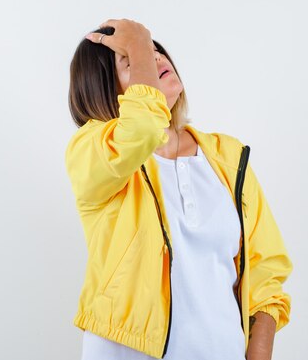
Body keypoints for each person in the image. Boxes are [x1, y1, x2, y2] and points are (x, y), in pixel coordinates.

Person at [65, 18, 293, 360]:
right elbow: (140, 128)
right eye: (133, 60)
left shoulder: (228, 157)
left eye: (156, 50)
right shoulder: (94, 153)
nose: (155, 58)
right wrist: (139, 40)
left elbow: (265, 274)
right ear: (104, 90)